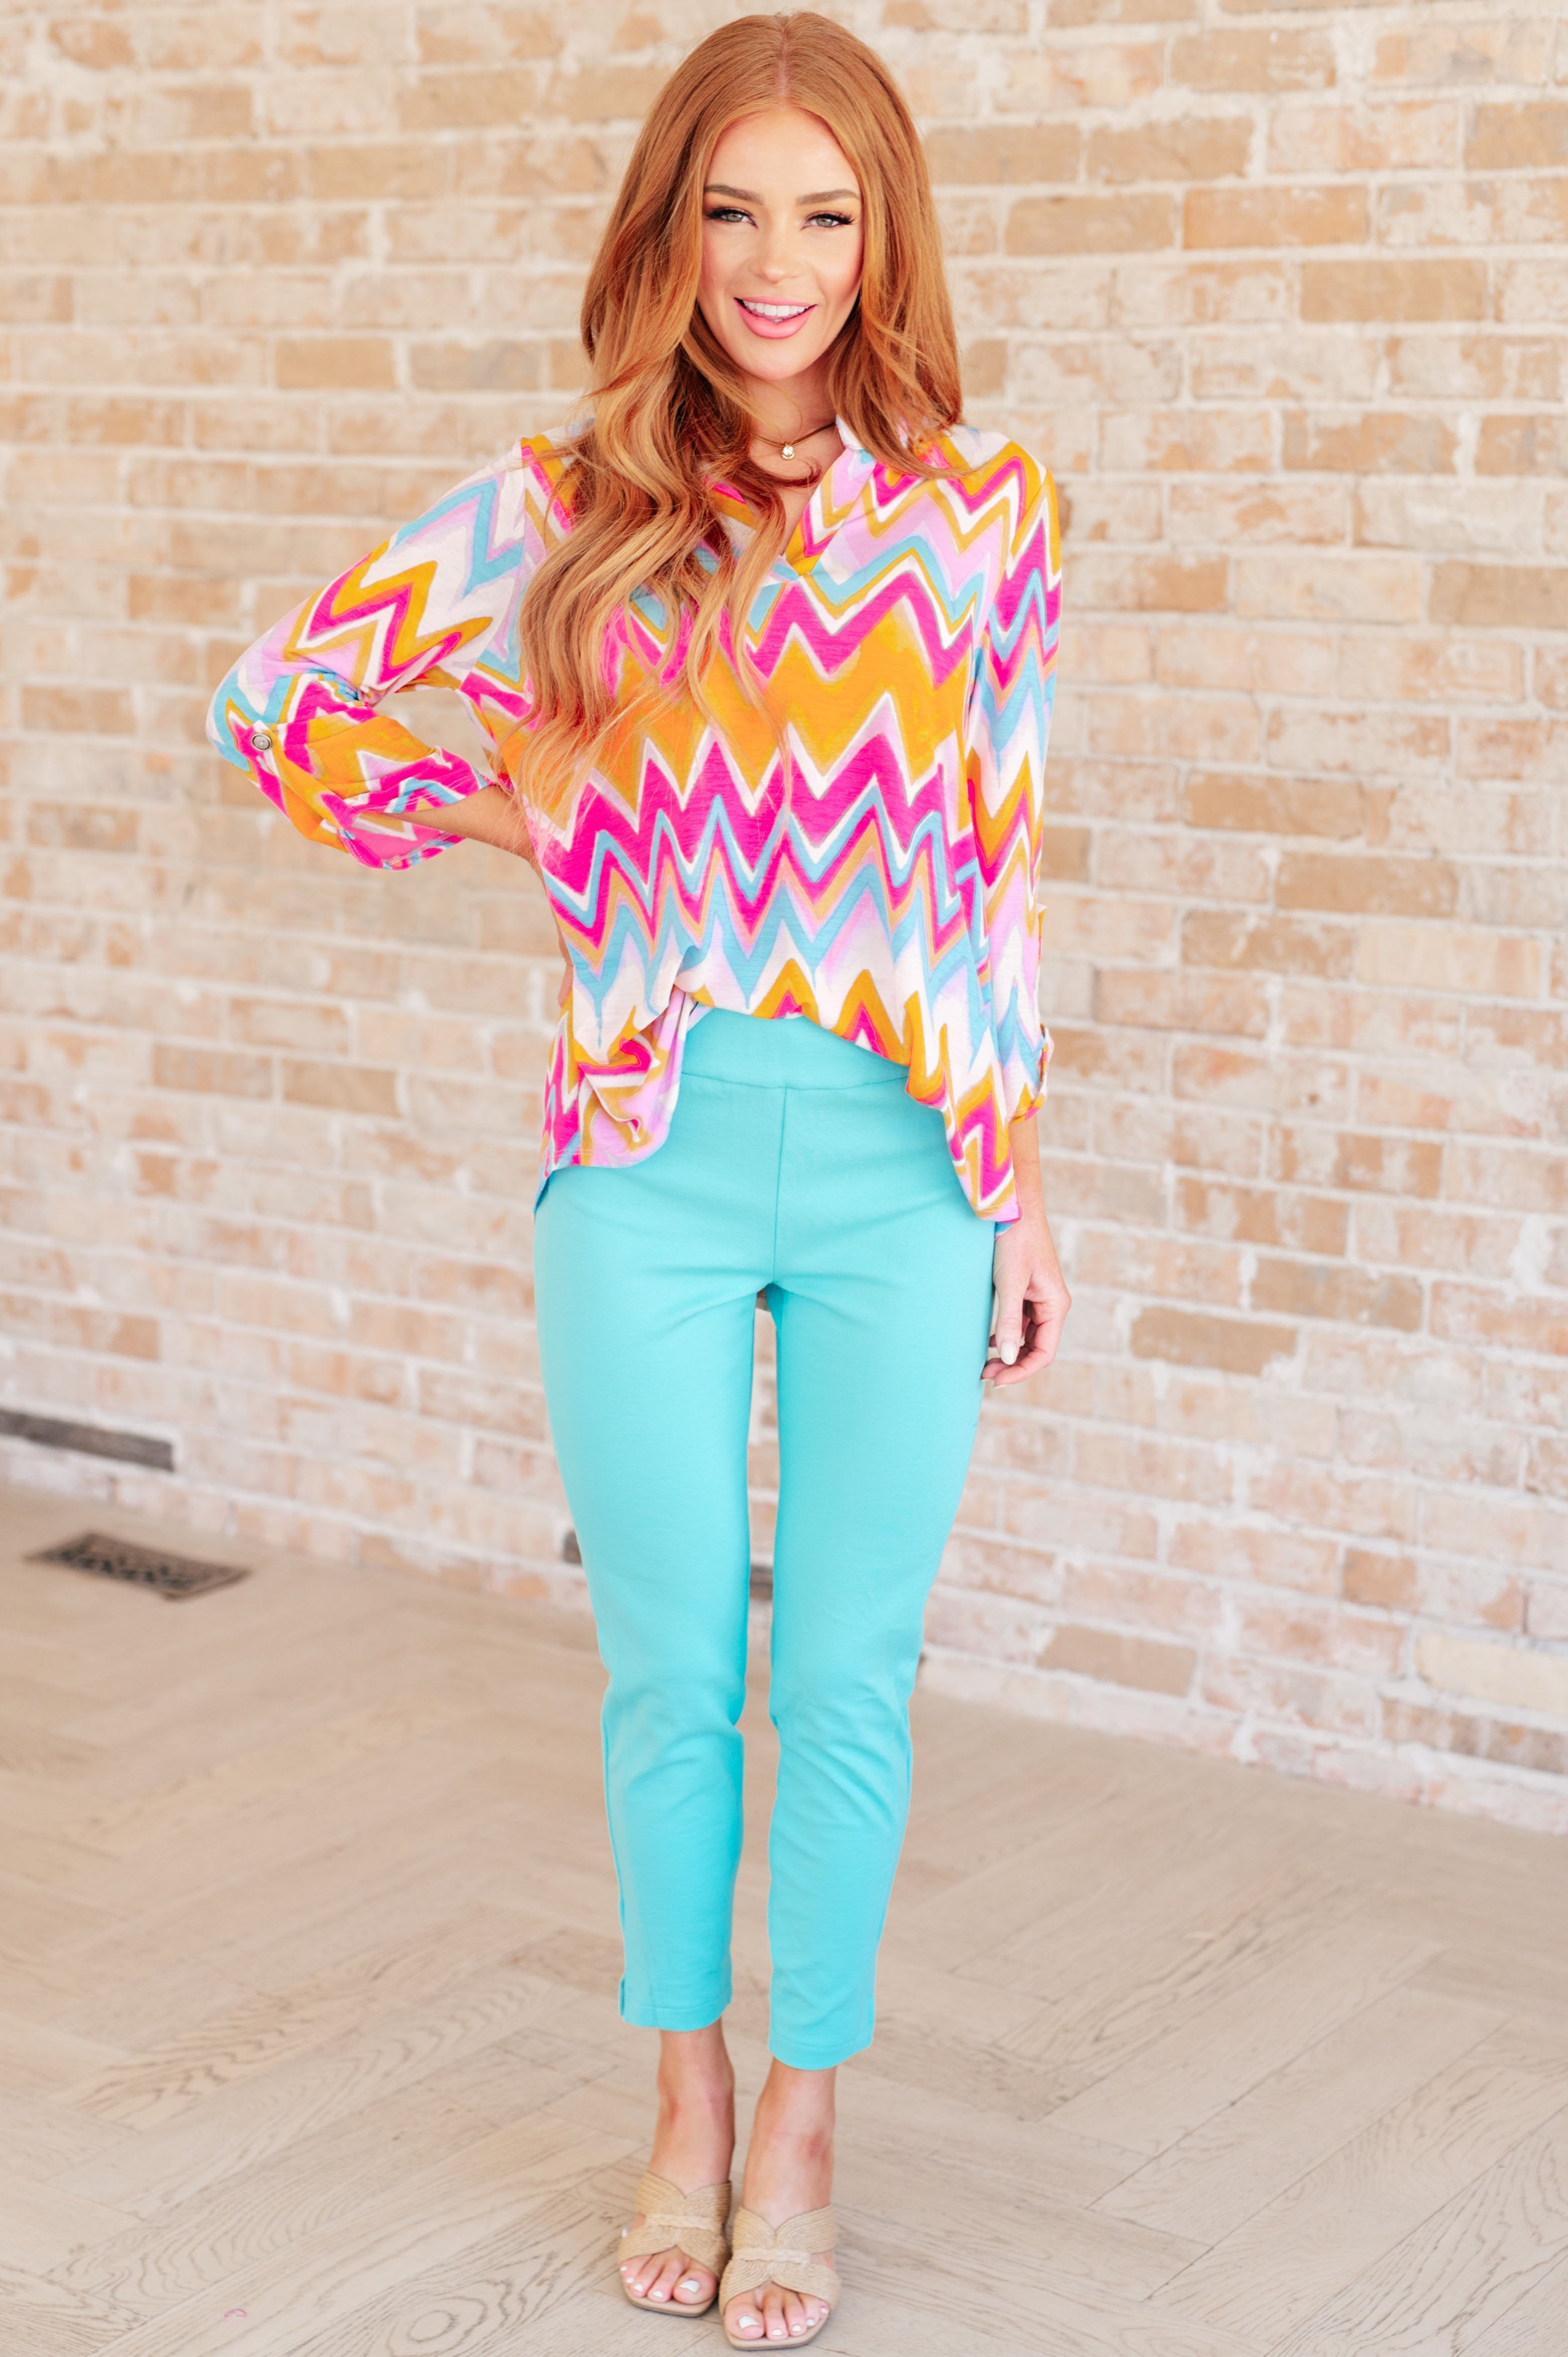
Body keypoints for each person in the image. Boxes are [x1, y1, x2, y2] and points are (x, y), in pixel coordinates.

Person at [207, 12, 1067, 2345]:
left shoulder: (987, 511)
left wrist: (1025, 1182)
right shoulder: (569, 498)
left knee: (852, 1672)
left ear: (883, 236)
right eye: (732, 209)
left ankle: (806, 2117)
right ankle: (682, 2093)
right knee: (674, 1666)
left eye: (826, 213)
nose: (778, 263)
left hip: (906, 1170)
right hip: (646, 1167)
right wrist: (510, 798)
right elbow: (277, 703)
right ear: (667, 230)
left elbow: (993, 872)